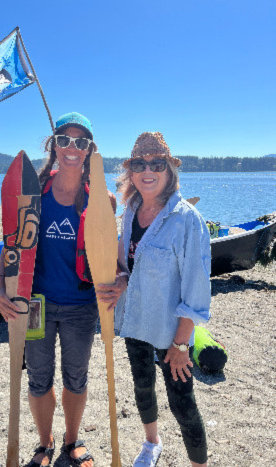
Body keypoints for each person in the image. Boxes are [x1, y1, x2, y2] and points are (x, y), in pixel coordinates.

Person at [0, 112, 116, 467]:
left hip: (81, 305)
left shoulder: (103, 200)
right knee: (38, 378)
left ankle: (72, 441)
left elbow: (110, 251)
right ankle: (45, 444)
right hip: (35, 304)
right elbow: (12, 243)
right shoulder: (34, 193)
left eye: (81, 142)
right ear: (54, 146)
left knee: (76, 379)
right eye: (64, 140)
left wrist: (121, 279)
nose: (72, 147)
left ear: (91, 150)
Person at [97, 132, 211, 466]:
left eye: (157, 164)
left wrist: (180, 345)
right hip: (135, 319)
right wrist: (121, 278)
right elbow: (130, 260)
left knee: (183, 403)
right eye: (139, 164)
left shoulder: (187, 220)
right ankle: (151, 443)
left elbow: (196, 289)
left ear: (169, 170)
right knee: (142, 387)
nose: (148, 170)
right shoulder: (131, 210)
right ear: (130, 171)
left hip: (171, 330)